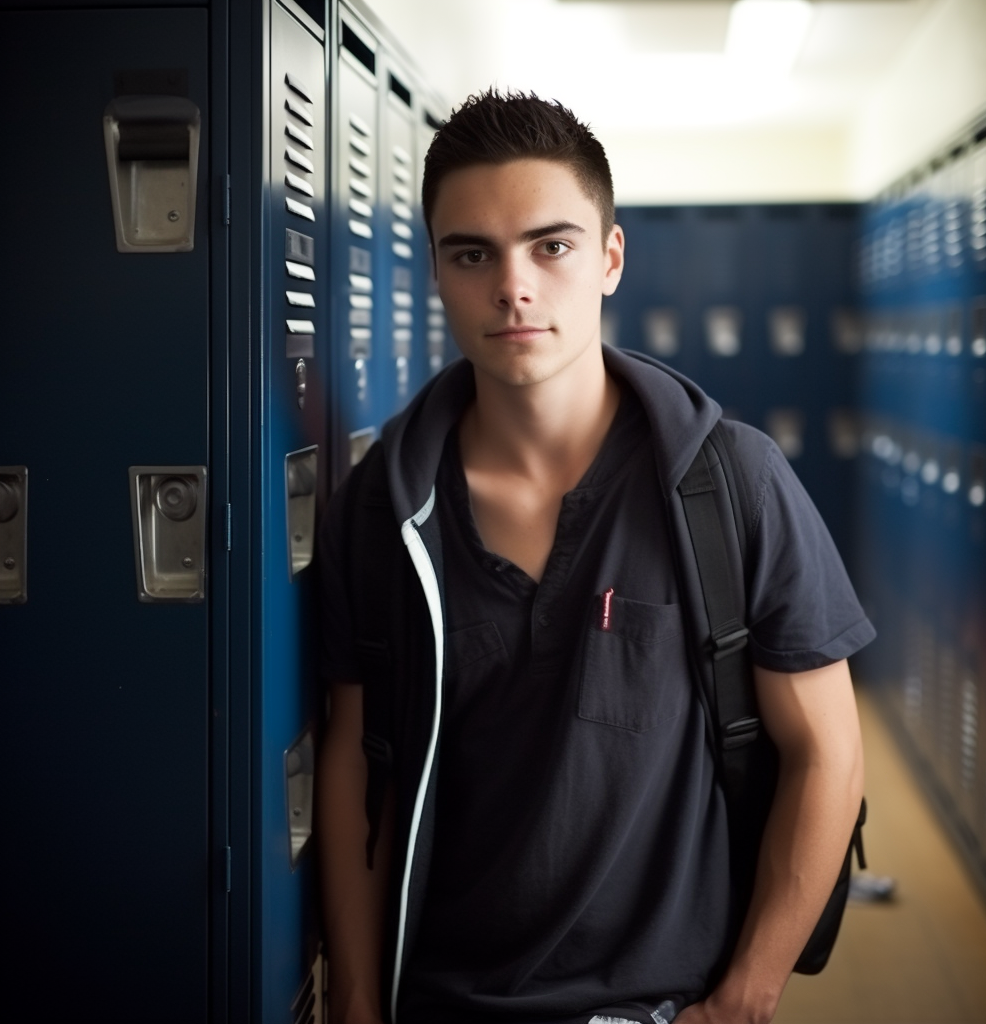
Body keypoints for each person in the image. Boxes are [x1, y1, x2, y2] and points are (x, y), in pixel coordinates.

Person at [316, 89, 874, 1024]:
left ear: (610, 258)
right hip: (446, 1003)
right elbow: (352, 768)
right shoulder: (380, 509)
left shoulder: (730, 483)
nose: (514, 285)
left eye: (553, 245)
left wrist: (745, 997)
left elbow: (828, 751)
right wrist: (361, 1003)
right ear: (437, 274)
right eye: (472, 253)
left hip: (662, 1004)